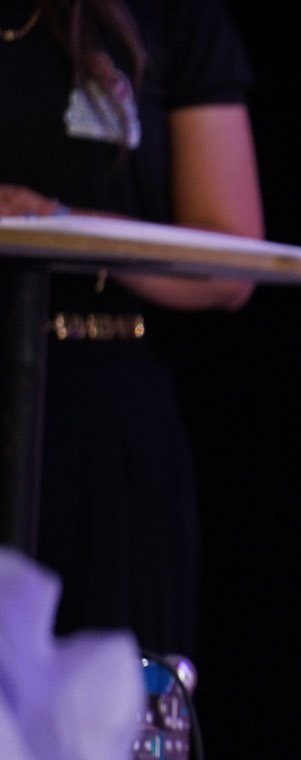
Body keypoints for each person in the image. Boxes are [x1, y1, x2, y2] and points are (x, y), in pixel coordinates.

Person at [0, 0, 262, 658]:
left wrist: (58, 222)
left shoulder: (175, 17)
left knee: (106, 696)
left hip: (102, 412)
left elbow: (230, 263)